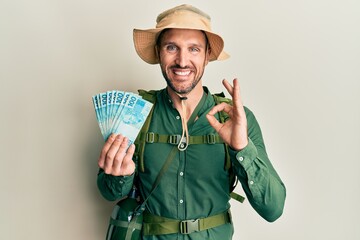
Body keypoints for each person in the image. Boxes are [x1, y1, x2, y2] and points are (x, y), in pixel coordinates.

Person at [97, 4, 286, 240]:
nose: (182, 61)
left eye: (194, 49)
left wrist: (241, 148)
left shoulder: (239, 119)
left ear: (207, 55)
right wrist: (120, 175)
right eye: (171, 47)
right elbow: (107, 191)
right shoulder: (135, 112)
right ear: (158, 52)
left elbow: (273, 209)